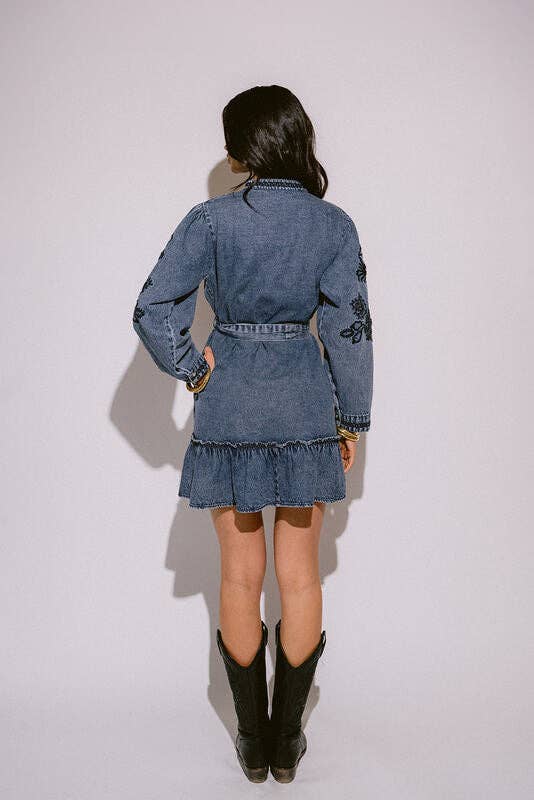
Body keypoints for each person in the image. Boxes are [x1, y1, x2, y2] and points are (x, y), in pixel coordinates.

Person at [132, 84, 374, 783]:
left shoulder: (209, 221)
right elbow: (351, 331)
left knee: (239, 576)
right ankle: (287, 742)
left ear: (243, 147)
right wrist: (351, 418)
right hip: (304, 404)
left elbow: (152, 306)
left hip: (231, 402)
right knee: (300, 576)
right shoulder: (333, 225)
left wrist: (192, 369)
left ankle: (251, 741)